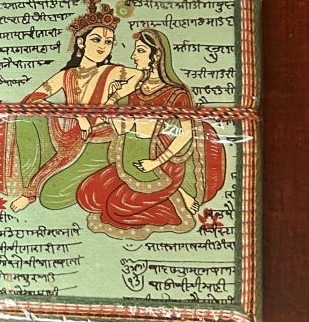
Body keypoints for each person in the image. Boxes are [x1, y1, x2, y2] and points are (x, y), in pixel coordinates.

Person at [76, 27, 227, 239]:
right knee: (88, 195)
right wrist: (111, 102)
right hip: (132, 157)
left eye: (140, 50)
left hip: (163, 164)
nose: (133, 56)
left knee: (116, 209)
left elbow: (186, 134)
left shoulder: (177, 94)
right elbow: (123, 129)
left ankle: (176, 197)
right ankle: (175, 194)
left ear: (156, 56)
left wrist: (156, 162)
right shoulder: (138, 90)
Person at [0, 0, 133, 212]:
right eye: (96, 39)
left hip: (100, 131)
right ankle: (26, 184)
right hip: (68, 130)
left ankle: (30, 193)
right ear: (81, 43)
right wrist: (77, 115)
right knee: (27, 119)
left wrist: (112, 99)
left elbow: (139, 76)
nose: (103, 46)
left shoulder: (110, 71)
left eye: (108, 42)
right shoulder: (67, 75)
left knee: (57, 182)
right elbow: (34, 98)